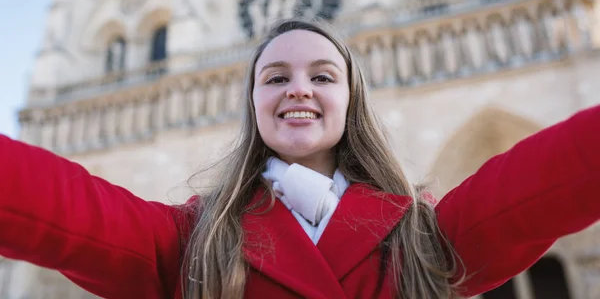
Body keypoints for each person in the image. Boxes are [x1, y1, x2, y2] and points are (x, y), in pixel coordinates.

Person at [1, 19, 599, 299]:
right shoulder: (191, 241)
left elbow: (560, 172)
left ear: (350, 101)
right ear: (253, 103)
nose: (298, 89)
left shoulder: (426, 236)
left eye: (322, 75)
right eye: (275, 76)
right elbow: (54, 205)